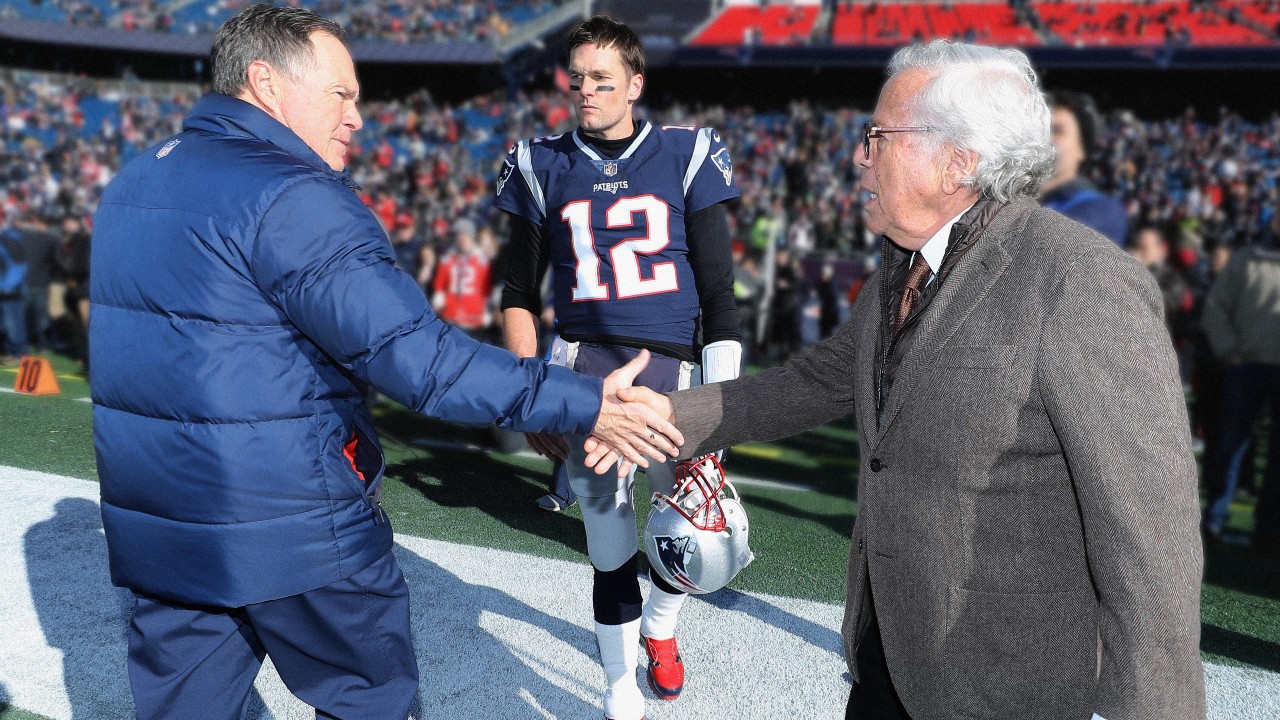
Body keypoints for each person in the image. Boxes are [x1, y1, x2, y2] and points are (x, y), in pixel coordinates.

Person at [88, 6, 681, 718]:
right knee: (368, 705)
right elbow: (421, 361)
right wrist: (582, 400)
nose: (357, 117)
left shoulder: (129, 185)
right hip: (293, 525)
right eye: (341, 94)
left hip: (155, 524)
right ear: (265, 83)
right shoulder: (292, 195)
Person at [600, 40, 1204, 719]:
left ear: (957, 162)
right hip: (888, 659)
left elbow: (1152, 537)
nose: (860, 157)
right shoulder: (900, 269)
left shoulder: (1078, 281)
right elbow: (809, 383)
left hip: (1005, 685)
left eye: (878, 137)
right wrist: (656, 416)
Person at [494, 16, 741, 720]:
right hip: (585, 375)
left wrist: (720, 410)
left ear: (636, 84)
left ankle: (661, 628)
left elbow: (719, 296)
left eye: (603, 79)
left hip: (673, 375)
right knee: (608, 545)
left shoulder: (686, 153)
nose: (587, 91)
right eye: (578, 79)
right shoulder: (542, 162)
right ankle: (618, 685)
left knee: (691, 523)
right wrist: (527, 395)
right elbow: (519, 293)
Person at [1199, 212, 1280, 556]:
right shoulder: (1245, 259)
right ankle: (1214, 519)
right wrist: (1229, 351)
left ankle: (1270, 529)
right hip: (1245, 365)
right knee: (1230, 444)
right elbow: (1215, 308)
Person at [1040, 90, 1129, 246]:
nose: (1042, 137)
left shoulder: (1102, 210)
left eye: (1057, 130)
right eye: (1039, 128)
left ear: (1082, 150)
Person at [431, 217, 492, 339]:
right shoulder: (448, 258)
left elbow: (486, 288)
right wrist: (438, 298)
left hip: (473, 318)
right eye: (459, 235)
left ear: (471, 236)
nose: (461, 239)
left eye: (464, 235)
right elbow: (440, 284)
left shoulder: (481, 260)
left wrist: (486, 310)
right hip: (450, 317)